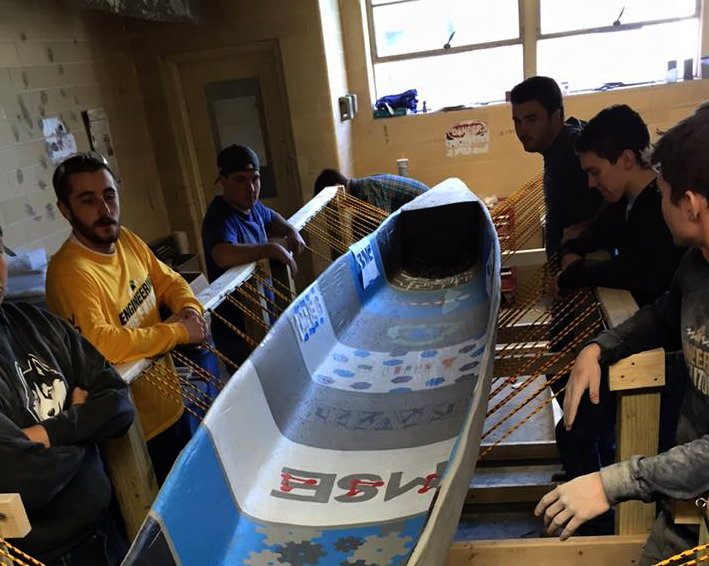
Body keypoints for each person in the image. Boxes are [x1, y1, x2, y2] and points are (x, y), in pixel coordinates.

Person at [536, 106, 709, 565]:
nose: (658, 197)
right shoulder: (696, 265)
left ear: (690, 206)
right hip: (693, 498)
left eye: (665, 192)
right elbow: (661, 314)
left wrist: (609, 483)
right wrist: (598, 346)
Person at [45, 152, 207, 484]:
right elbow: (101, 343)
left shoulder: (126, 240)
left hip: (170, 406)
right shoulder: (70, 272)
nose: (104, 210)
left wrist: (189, 308)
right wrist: (177, 332)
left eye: (109, 196)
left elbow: (169, 280)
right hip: (131, 434)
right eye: (88, 200)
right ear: (65, 209)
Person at [0, 222, 135, 565]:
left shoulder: (37, 322)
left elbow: (119, 402)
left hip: (106, 529)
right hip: (40, 556)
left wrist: (46, 434)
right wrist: (86, 431)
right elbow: (23, 479)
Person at [202, 144, 305, 366]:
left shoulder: (254, 207)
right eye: (241, 180)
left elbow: (273, 218)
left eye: (255, 179)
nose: (251, 188)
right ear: (222, 180)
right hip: (237, 332)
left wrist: (290, 230)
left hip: (263, 318)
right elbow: (222, 253)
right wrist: (270, 248)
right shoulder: (219, 218)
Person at [510, 76, 603, 259]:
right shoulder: (560, 147)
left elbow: (623, 193)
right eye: (517, 121)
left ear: (557, 115)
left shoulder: (575, 149)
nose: (522, 131)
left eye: (531, 119)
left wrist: (592, 226)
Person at [313, 168, 429, 214]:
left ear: (338, 189)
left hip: (430, 211)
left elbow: (383, 229)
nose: (337, 208)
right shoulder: (364, 188)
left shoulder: (368, 190)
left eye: (332, 203)